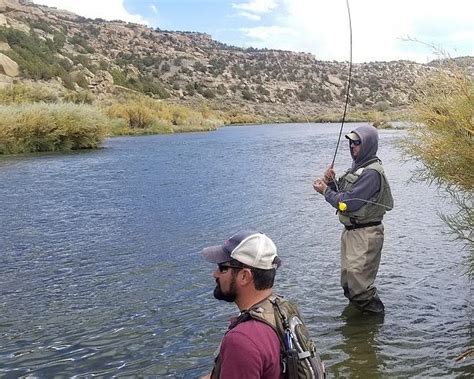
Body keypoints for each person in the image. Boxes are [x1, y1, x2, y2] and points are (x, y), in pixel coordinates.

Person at [313, 125, 393, 314]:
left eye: (357, 142)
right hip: (351, 233)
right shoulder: (358, 169)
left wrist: (324, 191)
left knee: (360, 288)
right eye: (350, 142)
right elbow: (344, 194)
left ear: (368, 145)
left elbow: (346, 204)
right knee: (348, 284)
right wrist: (331, 183)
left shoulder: (372, 173)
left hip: (366, 234)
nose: (352, 146)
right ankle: (357, 326)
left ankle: (373, 328)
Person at [200, 230, 283, 379]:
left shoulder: (241, 341)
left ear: (244, 276)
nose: (215, 274)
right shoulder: (281, 311)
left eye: (222, 268)